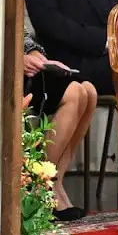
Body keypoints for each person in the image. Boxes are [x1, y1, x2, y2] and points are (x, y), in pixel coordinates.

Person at [23, 25, 97, 221]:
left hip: (29, 67)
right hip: (7, 69)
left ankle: (56, 181)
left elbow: (22, 36)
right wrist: (20, 58)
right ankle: (41, 183)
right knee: (74, 92)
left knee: (89, 91)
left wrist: (35, 53)